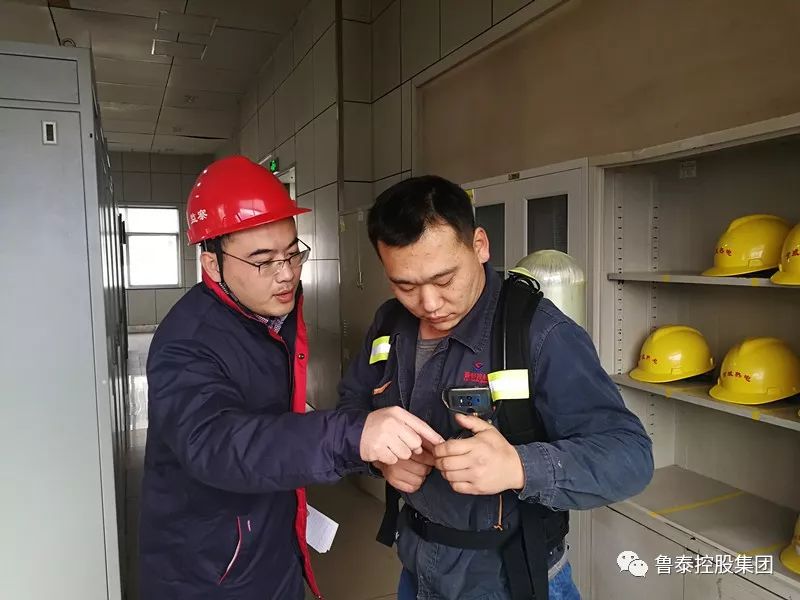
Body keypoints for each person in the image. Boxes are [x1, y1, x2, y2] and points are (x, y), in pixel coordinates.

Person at [138, 156, 444, 600]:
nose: (286, 273)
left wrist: (372, 456)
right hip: (210, 574)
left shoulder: (267, 315)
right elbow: (216, 443)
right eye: (263, 261)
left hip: (270, 543)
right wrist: (353, 436)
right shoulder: (187, 342)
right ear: (212, 264)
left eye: (292, 253)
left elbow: (281, 435)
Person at [338, 175, 654, 600]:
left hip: (511, 581)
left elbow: (630, 456)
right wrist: (380, 460)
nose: (428, 304)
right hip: (416, 570)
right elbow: (352, 406)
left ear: (480, 245)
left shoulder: (540, 334)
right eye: (405, 285)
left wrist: (519, 467)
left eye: (444, 280)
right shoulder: (390, 323)